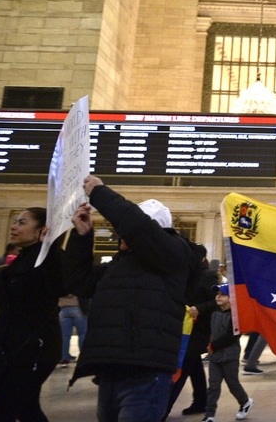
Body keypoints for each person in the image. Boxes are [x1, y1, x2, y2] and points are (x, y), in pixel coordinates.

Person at [63, 175, 198, 422]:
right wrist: (82, 238)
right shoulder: (118, 266)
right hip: (111, 368)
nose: (120, 233)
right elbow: (76, 281)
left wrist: (101, 194)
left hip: (146, 370)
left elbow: (138, 227)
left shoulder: (173, 256)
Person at [0, 207, 64, 421]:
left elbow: (56, 281)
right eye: (15, 221)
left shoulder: (47, 260)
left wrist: (48, 245)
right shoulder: (21, 260)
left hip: (34, 349)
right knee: (27, 409)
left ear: (41, 230)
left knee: (3, 411)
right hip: (15, 346)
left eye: (22, 222)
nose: (14, 226)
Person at [165, 241, 219, 418]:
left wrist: (200, 308)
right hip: (186, 327)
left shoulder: (209, 275)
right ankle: (200, 401)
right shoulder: (187, 274)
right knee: (194, 365)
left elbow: (217, 301)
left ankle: (163, 409)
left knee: (183, 367)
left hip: (199, 329)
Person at [202, 283, 254, 422]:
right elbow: (212, 333)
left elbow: (231, 336)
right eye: (217, 294)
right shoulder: (214, 314)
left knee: (232, 384)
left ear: (232, 298)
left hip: (230, 355)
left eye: (223, 294)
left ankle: (245, 402)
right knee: (213, 386)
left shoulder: (235, 317)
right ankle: (210, 415)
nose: (218, 296)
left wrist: (213, 345)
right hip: (215, 356)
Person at [57, 293, 88, 368]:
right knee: (82, 334)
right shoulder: (75, 282)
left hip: (63, 310)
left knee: (65, 336)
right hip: (77, 308)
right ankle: (83, 358)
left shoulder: (61, 282)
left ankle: (64, 360)